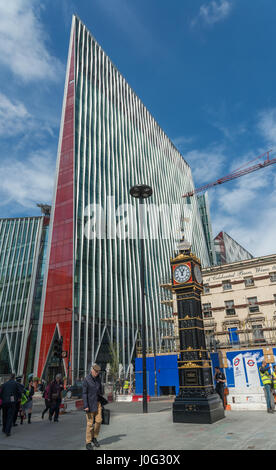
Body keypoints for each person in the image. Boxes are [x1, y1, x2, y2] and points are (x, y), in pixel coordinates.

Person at [83, 363, 103, 450]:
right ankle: (88, 442)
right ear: (92, 371)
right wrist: (86, 405)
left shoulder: (98, 379)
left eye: (98, 372)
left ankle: (94, 437)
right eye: (96, 372)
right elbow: (84, 393)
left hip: (98, 403)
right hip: (90, 405)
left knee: (99, 421)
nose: (97, 373)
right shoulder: (86, 379)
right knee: (90, 424)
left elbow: (100, 391)